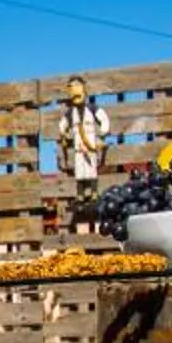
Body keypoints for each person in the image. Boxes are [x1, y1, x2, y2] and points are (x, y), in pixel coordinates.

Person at [58, 77, 111, 232]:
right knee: (80, 172)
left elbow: (104, 120)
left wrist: (102, 134)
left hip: (90, 145)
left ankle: (94, 194)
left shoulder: (93, 109)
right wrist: (63, 133)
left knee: (91, 170)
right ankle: (80, 195)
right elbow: (63, 124)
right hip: (78, 147)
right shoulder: (70, 113)